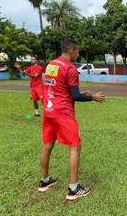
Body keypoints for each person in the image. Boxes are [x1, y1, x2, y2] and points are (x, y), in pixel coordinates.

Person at [38, 38, 105, 201]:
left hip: (49, 111)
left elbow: (61, 89)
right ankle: (74, 189)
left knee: (47, 145)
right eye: (77, 50)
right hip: (63, 113)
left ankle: (44, 181)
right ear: (71, 50)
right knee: (75, 146)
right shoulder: (70, 69)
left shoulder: (51, 65)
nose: (78, 53)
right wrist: (92, 97)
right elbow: (74, 95)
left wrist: (83, 93)